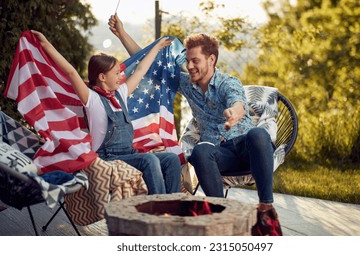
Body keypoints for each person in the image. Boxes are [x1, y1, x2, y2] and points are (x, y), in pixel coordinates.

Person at [31, 21, 182, 195]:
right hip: (107, 157)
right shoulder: (92, 99)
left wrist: (156, 47)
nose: (120, 77)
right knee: (149, 160)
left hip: (129, 154)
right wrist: (45, 43)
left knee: (171, 158)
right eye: (116, 73)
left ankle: (174, 204)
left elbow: (141, 70)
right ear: (102, 77)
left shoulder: (121, 93)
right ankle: (159, 208)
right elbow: (71, 72)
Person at [178, 33, 283, 236]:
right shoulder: (188, 85)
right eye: (188, 61)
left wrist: (233, 113)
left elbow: (237, 103)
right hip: (220, 155)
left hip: (249, 150)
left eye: (195, 60)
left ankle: (265, 207)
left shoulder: (228, 82)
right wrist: (121, 33)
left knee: (258, 134)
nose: (190, 66)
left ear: (211, 60)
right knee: (200, 152)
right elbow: (152, 66)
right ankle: (222, 214)